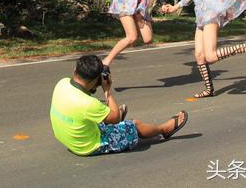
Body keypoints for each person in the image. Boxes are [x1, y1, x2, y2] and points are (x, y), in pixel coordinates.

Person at [50, 54, 188, 156]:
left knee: (99, 113)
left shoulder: (62, 83)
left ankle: (109, 118)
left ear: (75, 70)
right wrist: (107, 91)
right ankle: (164, 129)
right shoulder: (88, 104)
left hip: (68, 139)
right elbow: (114, 117)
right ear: (95, 80)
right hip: (87, 146)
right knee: (134, 124)